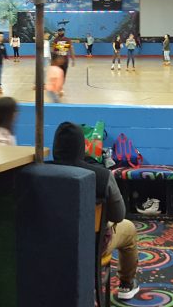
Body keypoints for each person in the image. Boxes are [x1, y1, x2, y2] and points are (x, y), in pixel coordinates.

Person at [52, 122, 140, 301]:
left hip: (49, 244)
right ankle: (126, 284)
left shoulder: (38, 172)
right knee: (129, 229)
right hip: (92, 245)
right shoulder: (102, 176)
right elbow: (118, 215)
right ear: (82, 146)